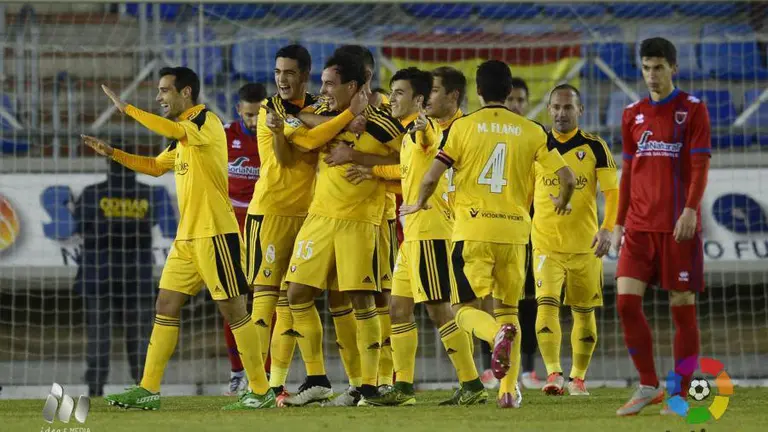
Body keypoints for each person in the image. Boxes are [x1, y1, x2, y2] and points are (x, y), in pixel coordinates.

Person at [83, 66, 274, 410]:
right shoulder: (183, 137)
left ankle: (260, 390)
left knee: (234, 311)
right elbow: (156, 166)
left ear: (186, 93)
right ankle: (148, 388)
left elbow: (172, 128)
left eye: (164, 90)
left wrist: (128, 110)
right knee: (165, 306)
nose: (159, 97)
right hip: (186, 239)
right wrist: (114, 154)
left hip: (216, 233)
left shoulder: (206, 123)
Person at [401, 60, 576, 408]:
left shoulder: (463, 127)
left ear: (478, 91)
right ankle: (508, 391)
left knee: (463, 308)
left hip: (473, 230)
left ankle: (494, 335)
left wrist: (418, 202)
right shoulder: (533, 130)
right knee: (509, 309)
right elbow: (568, 178)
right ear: (509, 91)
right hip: (514, 234)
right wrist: (561, 200)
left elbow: (433, 175)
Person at [350, 67, 487, 407]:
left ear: (419, 100)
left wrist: (425, 127)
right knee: (398, 308)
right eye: (392, 92)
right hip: (412, 234)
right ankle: (404, 388)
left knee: (439, 310)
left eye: (399, 93)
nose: (393, 98)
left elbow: (429, 142)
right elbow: (407, 170)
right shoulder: (409, 133)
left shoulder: (424, 132)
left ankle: (472, 385)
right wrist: (373, 170)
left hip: (431, 232)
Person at [279, 52, 401, 407]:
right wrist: (348, 118)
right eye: (322, 83)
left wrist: (363, 161)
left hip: (359, 221)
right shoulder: (324, 113)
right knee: (296, 294)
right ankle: (317, 378)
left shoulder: (382, 122)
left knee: (361, 301)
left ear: (352, 85)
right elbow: (298, 118)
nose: (323, 90)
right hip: (319, 219)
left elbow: (404, 161)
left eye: (330, 83)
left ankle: (368, 386)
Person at [245, 44, 359, 405]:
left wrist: (327, 120)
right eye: (278, 72)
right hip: (271, 211)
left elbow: (320, 127)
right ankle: (258, 387)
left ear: (305, 75)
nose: (282, 79)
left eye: (289, 72)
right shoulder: (270, 107)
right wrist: (343, 118)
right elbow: (304, 142)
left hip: (309, 216)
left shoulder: (317, 104)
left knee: (295, 301)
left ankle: (296, 382)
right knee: (264, 304)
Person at [614, 37, 711, 416]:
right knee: (624, 304)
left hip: (677, 228)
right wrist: (618, 223)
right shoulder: (631, 114)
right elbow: (626, 174)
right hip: (638, 228)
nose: (651, 75)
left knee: (682, 308)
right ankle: (648, 384)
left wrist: (690, 210)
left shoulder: (693, 110)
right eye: (646, 68)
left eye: (658, 67)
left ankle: (681, 394)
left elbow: (701, 167)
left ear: (673, 68)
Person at [533, 84, 618, 397]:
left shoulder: (595, 147)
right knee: (547, 304)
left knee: (584, 312)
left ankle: (578, 378)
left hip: (585, 245)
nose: (560, 113)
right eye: (555, 107)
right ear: (548, 109)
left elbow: (612, 193)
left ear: (580, 111)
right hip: (545, 243)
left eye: (568, 108)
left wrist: (608, 228)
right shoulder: (537, 147)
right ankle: (553, 374)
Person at [75, 159, 164, 397]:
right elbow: (151, 224)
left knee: (98, 337)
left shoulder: (93, 193)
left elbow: (79, 225)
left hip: (99, 273)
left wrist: (106, 229)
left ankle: (95, 389)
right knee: (140, 337)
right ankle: (143, 386)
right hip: (137, 275)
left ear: (107, 163)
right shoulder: (147, 194)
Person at [221, 82, 266, 396]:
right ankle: (237, 372)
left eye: (258, 114)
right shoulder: (223, 136)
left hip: (265, 224)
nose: (253, 121)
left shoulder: (274, 135)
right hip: (231, 225)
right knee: (233, 302)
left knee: (266, 300)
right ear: (239, 110)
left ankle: (265, 373)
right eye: (248, 114)